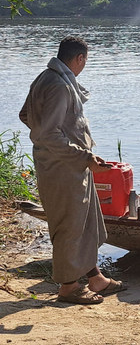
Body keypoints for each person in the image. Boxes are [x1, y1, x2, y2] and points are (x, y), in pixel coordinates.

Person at [19, 36, 126, 304]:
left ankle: (95, 278)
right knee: (69, 225)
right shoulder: (58, 86)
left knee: (87, 221)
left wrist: (82, 155)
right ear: (79, 59)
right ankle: (68, 287)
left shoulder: (45, 78)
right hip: (62, 167)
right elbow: (49, 134)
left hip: (73, 163)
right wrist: (81, 154)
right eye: (85, 61)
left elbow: (25, 116)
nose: (85, 65)